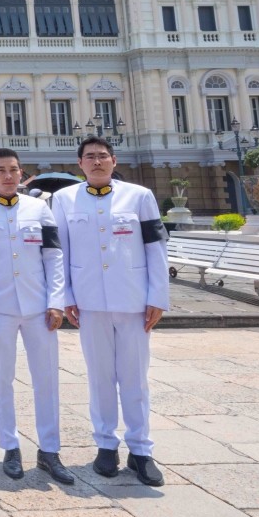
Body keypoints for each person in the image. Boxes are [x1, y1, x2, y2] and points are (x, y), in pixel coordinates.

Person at [54, 136, 170, 487]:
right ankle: (106, 444)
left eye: (102, 156)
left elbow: (156, 246)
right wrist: (67, 296)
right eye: (90, 157)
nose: (97, 162)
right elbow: (61, 251)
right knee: (100, 376)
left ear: (114, 160)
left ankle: (140, 449)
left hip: (133, 299)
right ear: (80, 164)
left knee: (135, 377)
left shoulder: (139, 196)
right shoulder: (64, 200)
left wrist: (158, 296)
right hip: (89, 301)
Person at [0, 148, 73, 484]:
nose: (8, 176)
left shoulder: (38, 207)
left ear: (21, 173)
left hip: (38, 305)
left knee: (46, 378)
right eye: (1, 170)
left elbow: (54, 258)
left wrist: (56, 301)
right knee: (2, 378)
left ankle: (50, 450)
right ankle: (10, 447)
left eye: (14, 170)